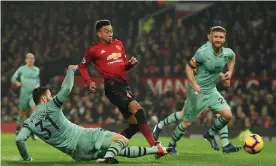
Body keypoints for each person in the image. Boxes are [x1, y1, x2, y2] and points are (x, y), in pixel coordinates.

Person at [15, 65, 170, 164]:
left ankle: (156, 150)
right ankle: (108, 158)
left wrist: (26, 158)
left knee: (119, 149)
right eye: (49, 94)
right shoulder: (51, 105)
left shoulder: (30, 122)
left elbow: (20, 139)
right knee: (122, 140)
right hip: (84, 137)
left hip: (77, 154)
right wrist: (70, 71)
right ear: (43, 98)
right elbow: (66, 89)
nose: (51, 96)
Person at [78, 20, 165, 158]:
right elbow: (82, 66)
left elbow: (123, 65)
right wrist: (89, 82)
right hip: (112, 86)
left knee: (135, 125)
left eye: (111, 31)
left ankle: (108, 151)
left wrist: (130, 65)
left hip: (124, 85)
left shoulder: (119, 44)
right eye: (106, 31)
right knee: (139, 110)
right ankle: (154, 146)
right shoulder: (93, 50)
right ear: (99, 33)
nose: (110, 34)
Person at [153, 26, 242, 154]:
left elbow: (231, 58)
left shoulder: (228, 52)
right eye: (215, 36)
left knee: (227, 115)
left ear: (224, 39)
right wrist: (194, 83)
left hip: (211, 90)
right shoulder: (203, 52)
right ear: (210, 37)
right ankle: (171, 144)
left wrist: (229, 73)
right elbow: (189, 67)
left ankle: (212, 136)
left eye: (221, 37)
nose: (218, 39)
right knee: (186, 121)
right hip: (197, 92)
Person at [11, 53, 40, 138]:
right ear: (26, 60)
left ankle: (34, 132)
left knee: (35, 110)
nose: (31, 60)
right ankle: (17, 129)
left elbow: (38, 80)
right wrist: (17, 82)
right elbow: (13, 78)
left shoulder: (37, 69)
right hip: (24, 93)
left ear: (34, 60)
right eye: (29, 58)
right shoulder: (21, 69)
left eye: (32, 58)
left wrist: (37, 86)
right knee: (22, 112)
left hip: (33, 93)